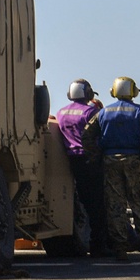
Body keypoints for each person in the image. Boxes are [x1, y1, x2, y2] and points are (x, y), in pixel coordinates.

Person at [82, 77, 140, 262]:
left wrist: (96, 155)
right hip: (135, 161)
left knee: (115, 206)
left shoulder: (103, 112)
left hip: (110, 161)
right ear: (133, 91)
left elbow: (87, 134)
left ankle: (120, 249)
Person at [56, 79, 109, 256]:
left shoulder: (61, 113)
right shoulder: (91, 111)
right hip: (91, 160)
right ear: (88, 94)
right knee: (98, 204)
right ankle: (99, 245)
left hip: (71, 160)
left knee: (84, 200)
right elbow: (100, 136)